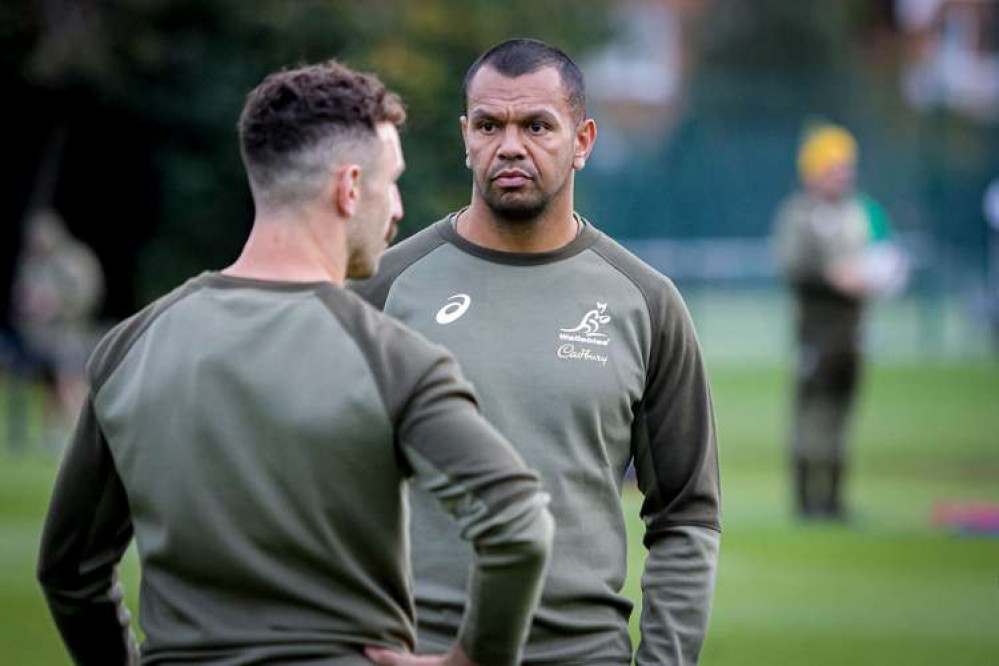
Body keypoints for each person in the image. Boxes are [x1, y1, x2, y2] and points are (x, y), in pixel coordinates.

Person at [37, 60, 554, 666]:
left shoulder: (129, 347)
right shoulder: (391, 358)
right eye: (393, 182)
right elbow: (518, 523)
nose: (397, 208)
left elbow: (71, 571)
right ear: (349, 187)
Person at [351, 39, 721, 666]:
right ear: (466, 136)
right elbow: (318, 493)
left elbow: (686, 516)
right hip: (419, 650)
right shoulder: (383, 288)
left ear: (583, 141)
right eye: (490, 125)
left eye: (538, 126)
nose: (511, 145)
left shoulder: (646, 302)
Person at [773, 123, 906, 521]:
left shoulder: (861, 212)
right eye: (833, 167)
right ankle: (806, 500)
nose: (842, 175)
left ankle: (833, 498)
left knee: (841, 416)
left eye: (846, 167)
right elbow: (796, 266)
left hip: (853, 332)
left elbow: (885, 255)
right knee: (812, 413)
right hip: (816, 330)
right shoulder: (800, 214)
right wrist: (837, 276)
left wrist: (878, 276)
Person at [12, 207, 105, 448]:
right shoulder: (34, 264)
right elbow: (23, 295)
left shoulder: (75, 260)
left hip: (70, 332)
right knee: (48, 386)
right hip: (40, 336)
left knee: (70, 381)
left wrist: (59, 304)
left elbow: (88, 294)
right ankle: (51, 434)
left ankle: (83, 433)